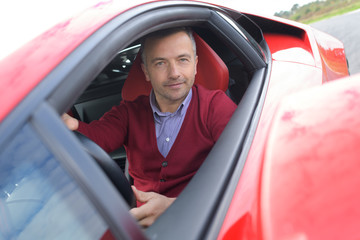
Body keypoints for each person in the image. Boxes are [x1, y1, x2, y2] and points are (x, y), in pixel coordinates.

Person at [62, 27, 237, 227]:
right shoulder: (129, 113)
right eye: (160, 63)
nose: (174, 73)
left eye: (183, 60)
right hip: (141, 224)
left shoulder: (215, 106)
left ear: (195, 65)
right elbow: (96, 138)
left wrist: (173, 207)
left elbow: (244, 171)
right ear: (146, 71)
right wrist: (70, 124)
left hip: (201, 220)